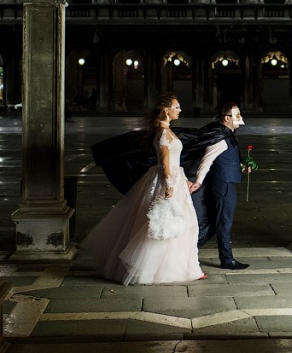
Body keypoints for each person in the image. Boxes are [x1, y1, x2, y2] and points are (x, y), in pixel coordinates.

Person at [77, 94, 205, 284]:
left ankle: (180, 266)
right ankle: (156, 267)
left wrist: (184, 180)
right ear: (166, 110)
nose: (180, 110)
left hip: (175, 179)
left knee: (181, 223)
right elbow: (165, 163)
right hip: (167, 180)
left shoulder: (167, 131)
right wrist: (170, 185)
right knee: (163, 224)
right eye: (176, 107)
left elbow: (174, 161)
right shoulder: (163, 133)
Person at [188, 102, 251, 270]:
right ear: (227, 118)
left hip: (226, 182)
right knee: (224, 222)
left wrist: (241, 166)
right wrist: (198, 181)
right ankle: (226, 259)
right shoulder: (220, 138)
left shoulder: (227, 134)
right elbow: (206, 161)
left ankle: (189, 250)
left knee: (217, 222)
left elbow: (224, 159)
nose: (240, 118)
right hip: (223, 185)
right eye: (237, 115)